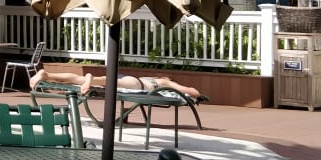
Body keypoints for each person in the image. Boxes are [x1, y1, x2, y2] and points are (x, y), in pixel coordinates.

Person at [29, 69, 202, 98]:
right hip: (137, 85)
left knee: (77, 79)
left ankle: (47, 75)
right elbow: (191, 91)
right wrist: (195, 94)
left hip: (130, 80)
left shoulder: (152, 78)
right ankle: (91, 77)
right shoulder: (164, 82)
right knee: (103, 81)